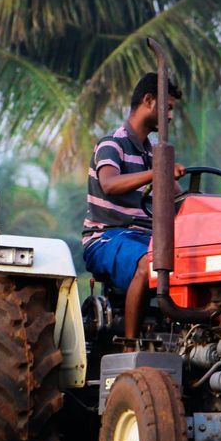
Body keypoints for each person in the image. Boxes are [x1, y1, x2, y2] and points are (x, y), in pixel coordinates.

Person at [81, 72, 184, 339]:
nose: (170, 117)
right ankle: (130, 345)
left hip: (146, 237)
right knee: (147, 261)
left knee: (190, 260)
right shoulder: (111, 145)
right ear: (149, 101)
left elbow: (179, 201)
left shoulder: (153, 153)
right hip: (107, 236)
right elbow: (110, 184)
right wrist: (158, 171)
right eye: (168, 109)